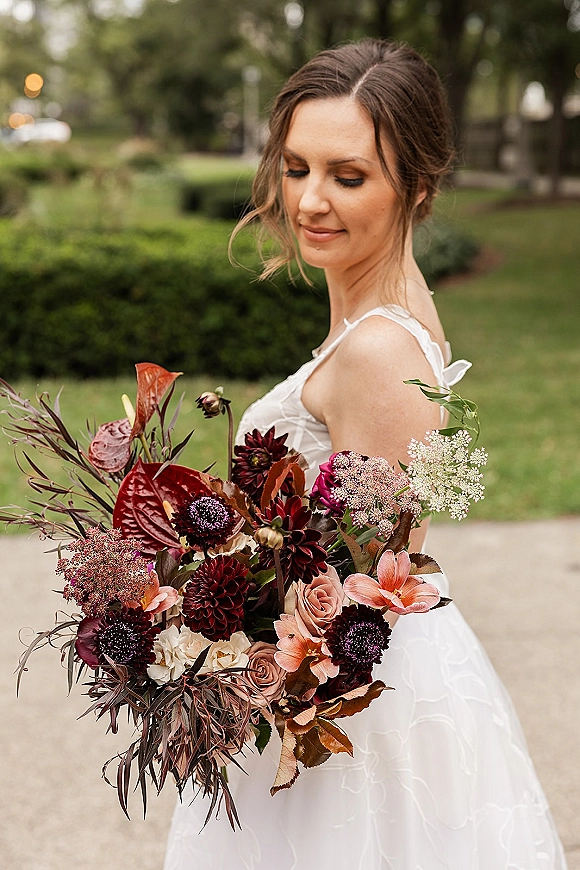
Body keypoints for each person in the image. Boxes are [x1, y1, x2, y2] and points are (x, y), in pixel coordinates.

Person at [164, 39, 567, 869]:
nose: (310, 200)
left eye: (348, 177)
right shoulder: (386, 313)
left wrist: (194, 618)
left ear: (415, 189)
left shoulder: (378, 352)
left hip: (358, 711)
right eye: (298, 166)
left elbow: (371, 585)